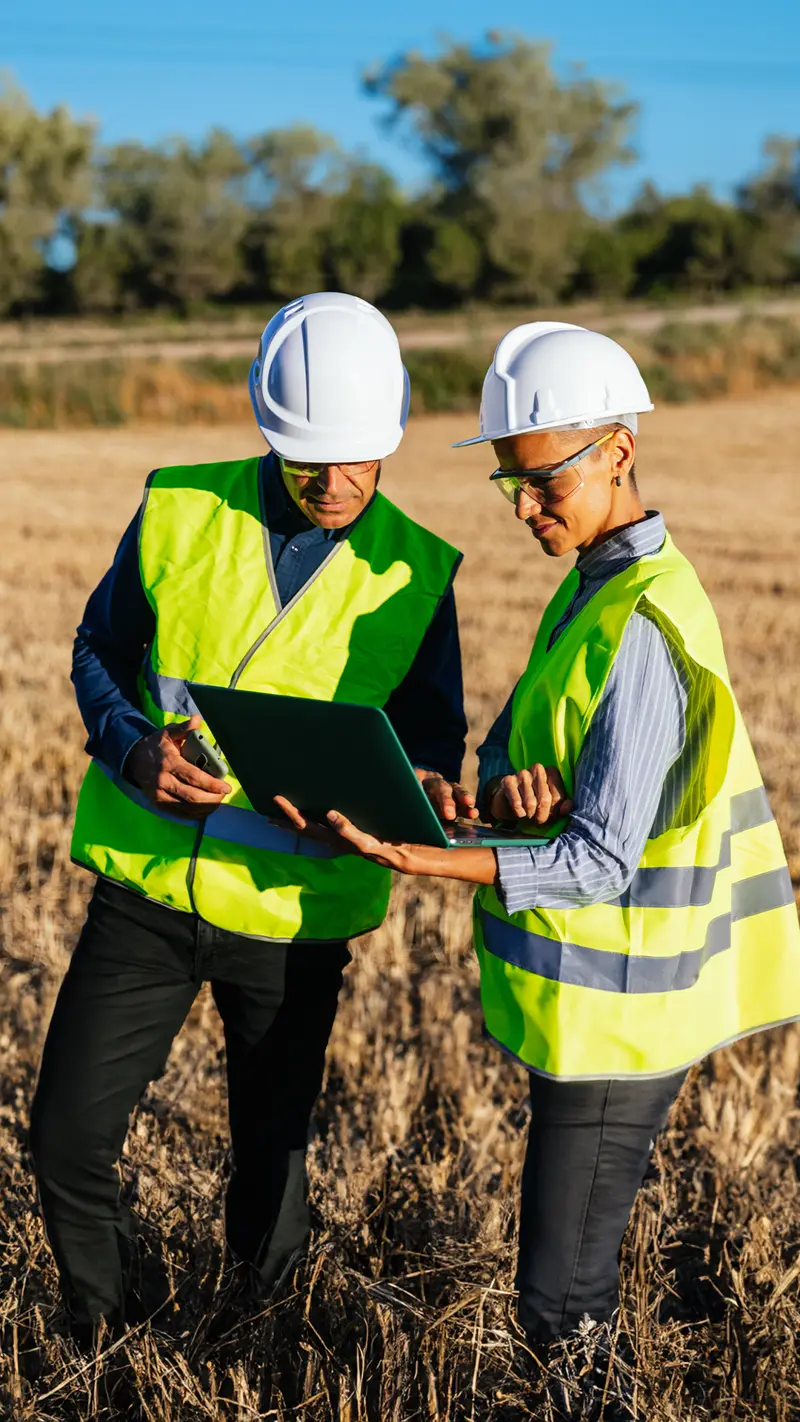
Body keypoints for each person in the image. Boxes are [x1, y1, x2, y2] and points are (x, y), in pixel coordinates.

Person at [277, 320, 800, 1351]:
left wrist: (426, 857)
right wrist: (504, 800)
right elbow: (573, 788)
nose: (522, 507)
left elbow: (601, 861)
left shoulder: (641, 618)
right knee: (563, 1300)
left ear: (616, 451)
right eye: (508, 483)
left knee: (561, 1310)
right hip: (592, 1007)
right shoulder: (597, 585)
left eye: (541, 481)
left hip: (619, 1020)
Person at [29, 292, 475, 1342]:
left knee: (270, 1162)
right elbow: (100, 651)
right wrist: (132, 746)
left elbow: (430, 746)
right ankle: (104, 1339)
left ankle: (255, 1346)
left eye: (357, 458)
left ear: (397, 428)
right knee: (64, 1139)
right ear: (267, 426)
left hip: (294, 914)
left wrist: (391, 800)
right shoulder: (181, 507)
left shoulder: (421, 571)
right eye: (310, 457)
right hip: (144, 894)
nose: (333, 482)